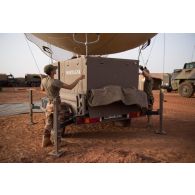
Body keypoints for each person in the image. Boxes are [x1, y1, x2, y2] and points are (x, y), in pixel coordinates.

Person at [41, 64, 85, 147]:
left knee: (48, 123)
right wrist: (79, 78)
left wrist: (49, 93)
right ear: (51, 72)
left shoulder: (43, 80)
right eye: (54, 69)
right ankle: (57, 143)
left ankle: (45, 141)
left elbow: (42, 90)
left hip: (49, 104)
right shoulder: (55, 82)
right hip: (55, 104)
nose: (55, 70)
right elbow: (70, 87)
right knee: (57, 124)